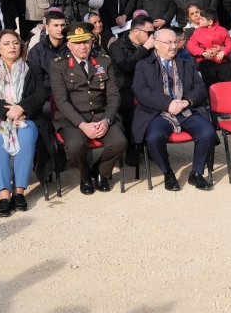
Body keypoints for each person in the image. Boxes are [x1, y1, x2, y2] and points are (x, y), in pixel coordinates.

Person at [0, 29, 51, 216]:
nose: (12, 47)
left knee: (25, 143)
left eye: (16, 43)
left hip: (27, 116)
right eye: (6, 43)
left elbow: (41, 94)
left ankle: (19, 192)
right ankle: (3, 195)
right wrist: (8, 111)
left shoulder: (32, 68)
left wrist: (22, 107)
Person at [132, 28, 218, 191]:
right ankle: (168, 173)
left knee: (208, 132)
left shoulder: (186, 63)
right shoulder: (143, 65)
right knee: (154, 137)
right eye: (169, 42)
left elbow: (200, 87)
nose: (174, 46)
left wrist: (186, 101)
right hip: (157, 112)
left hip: (186, 110)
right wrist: (168, 104)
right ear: (156, 45)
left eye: (176, 42)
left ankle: (196, 173)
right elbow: (141, 92)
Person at [50, 21, 127, 194]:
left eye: (86, 41)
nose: (83, 47)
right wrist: (82, 125)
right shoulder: (59, 65)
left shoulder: (104, 61)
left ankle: (100, 172)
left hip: (101, 114)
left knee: (120, 142)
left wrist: (107, 120)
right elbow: (61, 101)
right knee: (75, 146)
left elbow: (113, 95)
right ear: (69, 44)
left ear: (92, 41)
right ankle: (85, 176)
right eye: (77, 43)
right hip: (72, 119)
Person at [108, 12, 156, 156]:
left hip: (147, 86)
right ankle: (132, 148)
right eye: (149, 32)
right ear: (136, 31)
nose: (152, 36)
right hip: (124, 88)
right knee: (132, 108)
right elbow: (126, 66)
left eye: (153, 32)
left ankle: (151, 143)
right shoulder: (117, 46)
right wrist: (145, 49)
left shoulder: (151, 44)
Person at [186, 8, 231, 86]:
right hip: (206, 60)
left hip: (221, 60)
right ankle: (210, 95)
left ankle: (226, 95)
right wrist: (202, 52)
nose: (199, 21)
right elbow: (191, 45)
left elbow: (230, 44)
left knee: (226, 78)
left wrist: (223, 51)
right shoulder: (198, 32)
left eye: (202, 19)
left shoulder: (222, 30)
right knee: (209, 79)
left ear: (210, 22)